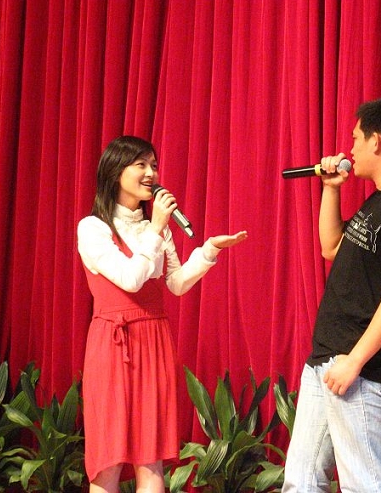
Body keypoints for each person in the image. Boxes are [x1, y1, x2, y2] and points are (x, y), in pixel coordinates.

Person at [282, 99, 381, 493]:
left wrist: (354, 361)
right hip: (327, 359)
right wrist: (330, 189)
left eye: (355, 139)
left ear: (377, 141)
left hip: (361, 369)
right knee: (301, 481)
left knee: (365, 484)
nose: (349, 149)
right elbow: (331, 247)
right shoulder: (380, 200)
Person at [77, 135, 247, 493]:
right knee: (108, 459)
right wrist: (154, 228)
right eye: (140, 164)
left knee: (150, 457)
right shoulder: (93, 228)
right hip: (112, 344)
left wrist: (208, 251)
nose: (151, 173)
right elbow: (130, 279)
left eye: (153, 165)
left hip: (154, 340)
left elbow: (176, 283)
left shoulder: (157, 228)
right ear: (115, 171)